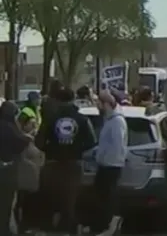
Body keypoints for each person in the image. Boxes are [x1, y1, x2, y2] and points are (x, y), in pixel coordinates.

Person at [36, 85, 97, 234]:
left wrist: (50, 150)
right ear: (74, 99)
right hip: (73, 165)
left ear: (58, 100)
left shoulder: (50, 119)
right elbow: (92, 141)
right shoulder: (82, 119)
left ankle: (50, 228)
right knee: (70, 200)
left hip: (53, 164)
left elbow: (39, 141)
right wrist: (77, 150)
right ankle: (68, 229)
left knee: (51, 199)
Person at [90, 90, 128, 235]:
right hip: (105, 163)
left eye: (99, 103)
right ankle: (100, 225)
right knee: (101, 196)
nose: (97, 106)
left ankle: (108, 225)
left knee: (106, 197)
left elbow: (117, 145)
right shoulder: (110, 120)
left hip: (111, 165)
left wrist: (106, 157)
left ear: (106, 104)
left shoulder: (117, 122)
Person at [0, 101, 31, 236]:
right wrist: (28, 138)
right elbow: (19, 143)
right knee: (5, 202)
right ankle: (4, 229)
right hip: (6, 169)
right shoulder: (10, 127)